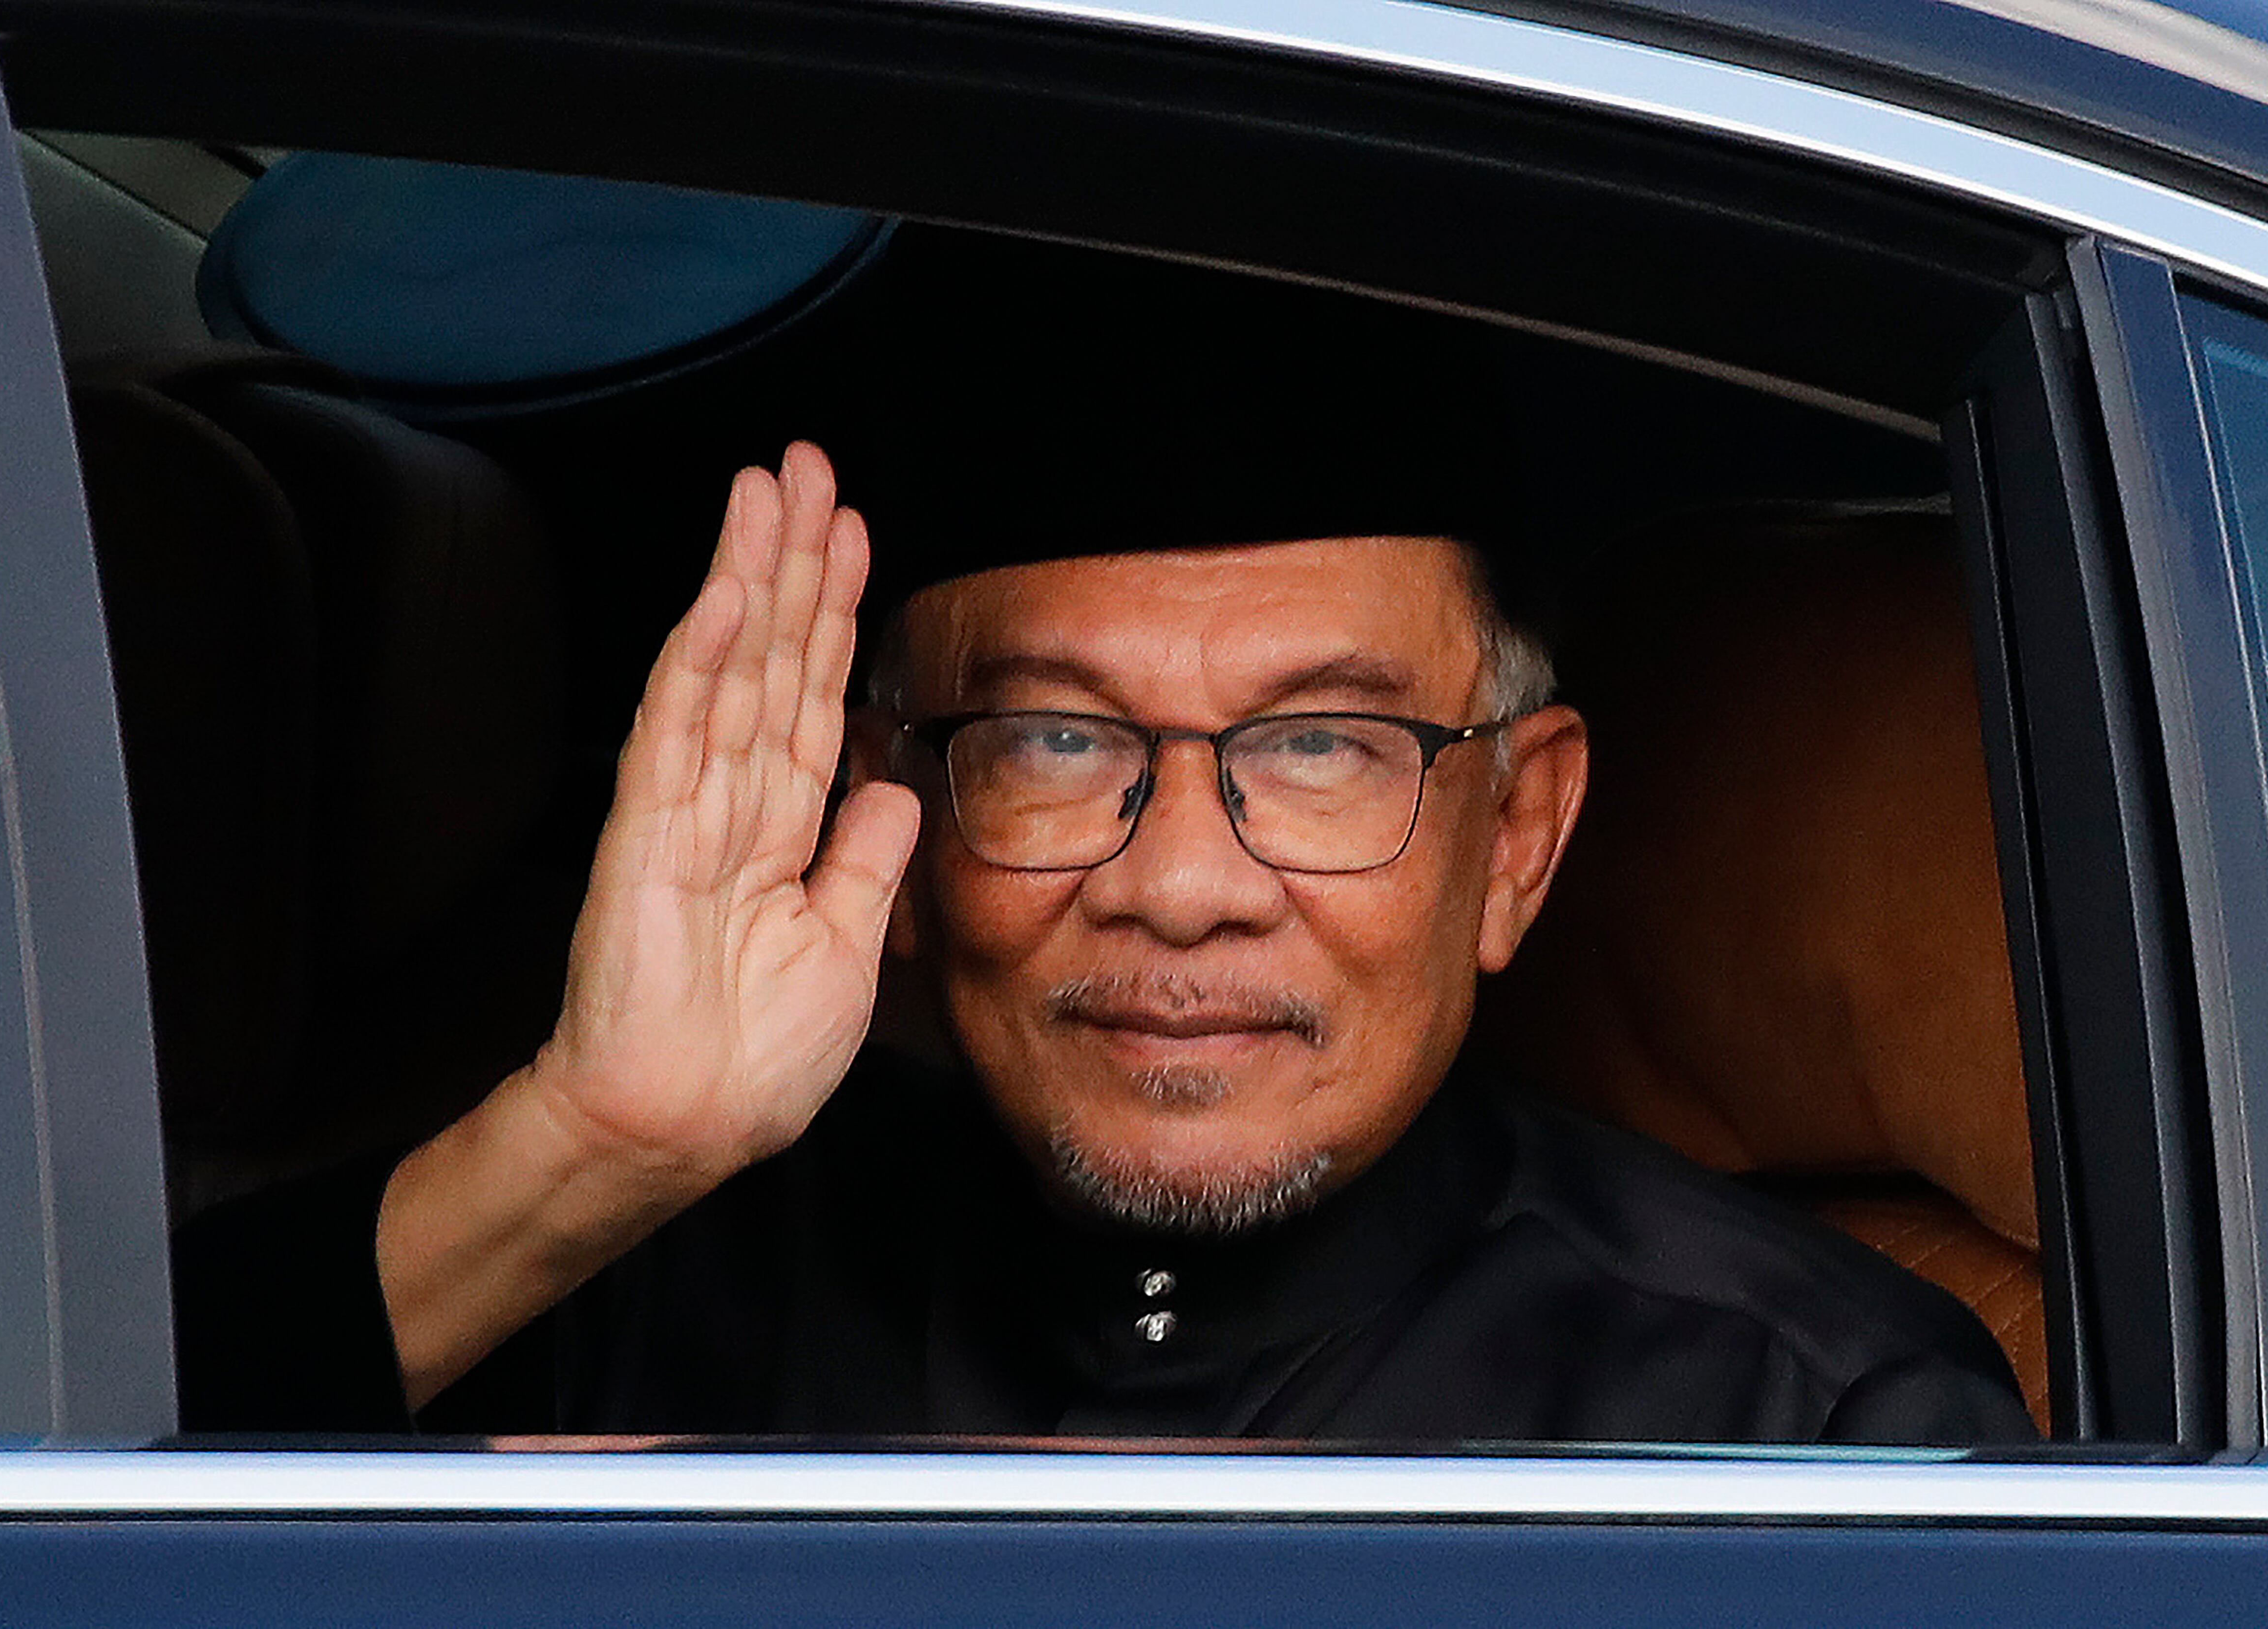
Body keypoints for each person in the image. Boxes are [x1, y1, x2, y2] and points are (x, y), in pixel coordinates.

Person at [177, 437, 2034, 1444]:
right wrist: (592, 1147)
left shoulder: (1808, 1424)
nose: (1182, 884)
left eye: (1323, 748)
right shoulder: (649, 1261)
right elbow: (49, 1489)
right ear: (902, 818)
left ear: (1518, 839)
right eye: (1058, 743)